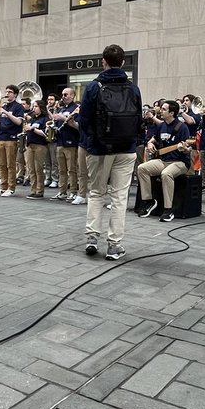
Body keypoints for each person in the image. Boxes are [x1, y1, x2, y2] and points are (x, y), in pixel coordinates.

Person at [80, 43, 143, 259]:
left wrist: (90, 142)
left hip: (99, 148)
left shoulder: (93, 87)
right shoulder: (133, 88)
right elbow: (139, 120)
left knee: (97, 192)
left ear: (103, 62)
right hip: (126, 148)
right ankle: (114, 245)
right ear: (123, 62)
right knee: (119, 197)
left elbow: (85, 120)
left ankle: (92, 238)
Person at [138, 98, 192, 223]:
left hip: (180, 162)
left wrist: (183, 148)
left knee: (166, 174)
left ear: (172, 113)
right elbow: (154, 138)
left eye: (164, 109)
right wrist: (150, 144)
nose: (160, 111)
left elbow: (188, 149)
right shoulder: (161, 126)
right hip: (163, 160)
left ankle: (168, 209)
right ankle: (148, 201)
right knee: (142, 168)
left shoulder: (182, 127)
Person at [0, 85, 25, 196]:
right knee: (1, 164)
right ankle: (3, 186)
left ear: (15, 94)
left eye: (10, 92)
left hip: (11, 138)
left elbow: (18, 122)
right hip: (1, 138)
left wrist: (6, 113)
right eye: (6, 91)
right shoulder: (4, 105)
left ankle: (11, 188)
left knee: (10, 165)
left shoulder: (18, 107)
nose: (7, 94)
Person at [53, 87, 80, 200]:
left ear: (73, 96)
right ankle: (62, 191)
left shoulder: (76, 108)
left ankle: (73, 191)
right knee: (61, 169)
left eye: (66, 94)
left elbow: (78, 125)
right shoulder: (61, 108)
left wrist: (63, 117)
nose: (63, 96)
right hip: (60, 141)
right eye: (63, 94)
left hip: (71, 142)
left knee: (72, 169)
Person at [23, 98, 50, 199]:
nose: (34, 108)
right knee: (31, 169)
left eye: (36, 106)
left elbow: (45, 133)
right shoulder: (33, 118)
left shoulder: (45, 119)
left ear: (41, 108)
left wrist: (33, 129)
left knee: (38, 168)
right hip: (30, 145)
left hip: (40, 145)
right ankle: (33, 190)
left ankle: (40, 191)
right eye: (33, 106)